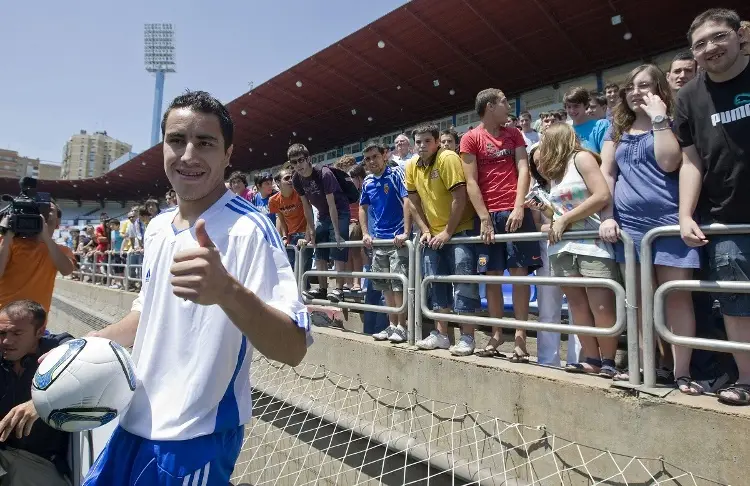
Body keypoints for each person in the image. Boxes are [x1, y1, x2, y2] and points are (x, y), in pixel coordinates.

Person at [82, 90, 310, 485]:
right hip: (133, 425)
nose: (188, 155)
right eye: (177, 141)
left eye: (205, 143)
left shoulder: (249, 229)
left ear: (228, 155)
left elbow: (292, 348)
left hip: (195, 440)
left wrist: (226, 292)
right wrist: (87, 349)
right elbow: (146, 317)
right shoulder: (156, 228)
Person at [600, 64, 701, 389]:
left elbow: (671, 162)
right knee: (639, 303)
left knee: (676, 300)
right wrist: (607, 216)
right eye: (631, 86)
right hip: (629, 229)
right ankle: (646, 367)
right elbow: (607, 174)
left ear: (659, 89)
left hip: (668, 225)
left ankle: (682, 372)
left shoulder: (670, 122)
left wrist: (658, 119)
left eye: (644, 85)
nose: (636, 92)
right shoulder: (615, 129)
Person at [675, 8, 750, 405]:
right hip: (724, 218)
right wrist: (686, 214)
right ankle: (747, 379)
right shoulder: (688, 97)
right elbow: (691, 161)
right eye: (700, 44)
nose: (710, 48)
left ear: (740, 35)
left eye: (719, 37)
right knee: (737, 305)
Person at [531, 123, 620, 376]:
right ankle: (592, 358)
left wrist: (564, 219)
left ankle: (609, 361)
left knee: (600, 305)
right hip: (562, 247)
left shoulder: (581, 158)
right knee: (577, 306)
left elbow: (602, 195)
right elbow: (560, 212)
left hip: (591, 243)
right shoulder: (555, 172)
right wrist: (546, 211)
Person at [461, 88, 541, 362]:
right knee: (492, 277)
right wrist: (484, 218)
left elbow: (523, 169)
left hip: (516, 211)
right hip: (488, 216)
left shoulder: (514, 133)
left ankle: (520, 336)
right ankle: (496, 334)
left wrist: (519, 206)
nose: (509, 105)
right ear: (490, 106)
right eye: (505, 101)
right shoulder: (470, 138)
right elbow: (471, 182)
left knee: (519, 275)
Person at [405, 124, 479, 356]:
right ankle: (442, 335)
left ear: (437, 142)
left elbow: (460, 197)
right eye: (418, 142)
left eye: (427, 141)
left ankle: (468, 337)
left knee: (463, 283)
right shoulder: (410, 165)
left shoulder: (447, 158)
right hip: (433, 234)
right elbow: (413, 203)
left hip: (459, 231)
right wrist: (426, 229)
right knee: (436, 283)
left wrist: (447, 232)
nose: (422, 146)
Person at [0, 300, 73, 486]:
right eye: (1, 333)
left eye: (17, 333)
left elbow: (91, 358)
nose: (6, 341)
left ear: (40, 331)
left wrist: (41, 402)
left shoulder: (60, 349)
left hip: (39, 462)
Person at [359, 144, 412, 344]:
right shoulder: (368, 181)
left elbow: (407, 201)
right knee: (385, 288)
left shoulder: (396, 174)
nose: (372, 161)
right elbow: (363, 208)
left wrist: (406, 232)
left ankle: (402, 326)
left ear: (384, 155)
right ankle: (392, 325)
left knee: (398, 286)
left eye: (375, 156)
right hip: (379, 240)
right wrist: (366, 233)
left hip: (397, 239)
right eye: (368, 159)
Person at [289, 143, 351, 302]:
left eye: (301, 160)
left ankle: (339, 290)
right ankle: (323, 289)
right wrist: (311, 232)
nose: (298, 165)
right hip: (323, 215)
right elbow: (306, 207)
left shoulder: (324, 173)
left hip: (340, 211)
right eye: (294, 162)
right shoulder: (296, 179)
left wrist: (336, 232)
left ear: (308, 159)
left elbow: (332, 205)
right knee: (318, 246)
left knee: (338, 246)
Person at [0, 201, 76, 313]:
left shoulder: (61, 250)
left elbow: (67, 270)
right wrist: (6, 238)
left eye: (50, 208)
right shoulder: (9, 242)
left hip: (35, 323)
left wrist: (46, 238)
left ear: (58, 222)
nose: (45, 210)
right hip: (4, 317)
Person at [269, 165, 310, 278]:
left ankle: (303, 292)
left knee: (304, 269)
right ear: (278, 182)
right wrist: (284, 237)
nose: (291, 180)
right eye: (287, 178)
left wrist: (307, 236)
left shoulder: (300, 193)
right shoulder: (273, 200)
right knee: (291, 268)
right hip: (291, 236)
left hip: (304, 234)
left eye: (292, 177)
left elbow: (309, 215)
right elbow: (281, 220)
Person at [563, 87, 611, 153]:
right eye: (569, 107)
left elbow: (606, 157)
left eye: (576, 106)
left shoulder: (600, 126)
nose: (572, 110)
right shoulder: (566, 131)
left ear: (586, 105)